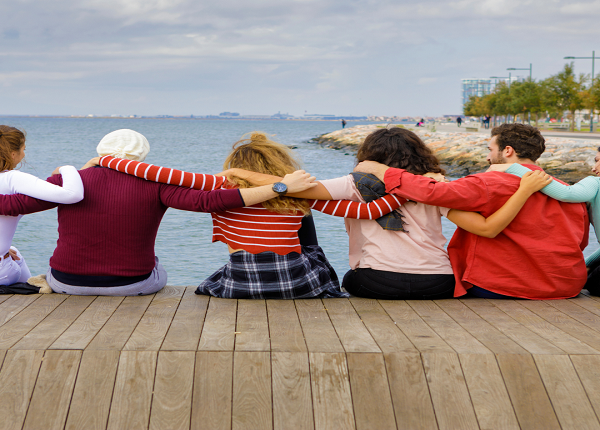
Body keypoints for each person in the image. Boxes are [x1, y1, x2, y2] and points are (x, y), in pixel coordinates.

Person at [207, 127, 552, 300]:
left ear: (369, 154)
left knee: (347, 278)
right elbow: (485, 228)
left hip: (376, 282)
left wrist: (245, 176)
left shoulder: (354, 183)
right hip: (439, 283)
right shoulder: (433, 187)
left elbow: (295, 187)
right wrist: (523, 192)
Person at [0, 129, 316, 296]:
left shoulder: (70, 182)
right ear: (142, 155)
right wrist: (279, 188)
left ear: (100, 152)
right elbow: (210, 201)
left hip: (66, 282)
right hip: (131, 285)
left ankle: (50, 280)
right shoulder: (157, 184)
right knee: (158, 268)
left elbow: (20, 205)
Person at [98, 132, 404, 299]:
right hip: (299, 282)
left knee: (212, 280)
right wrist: (402, 189)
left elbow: (157, 174)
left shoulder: (221, 186)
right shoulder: (300, 194)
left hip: (242, 282)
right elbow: (367, 211)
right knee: (305, 225)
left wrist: (105, 161)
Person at [355, 123, 589, 299]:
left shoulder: (487, 183)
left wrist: (380, 169)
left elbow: (433, 194)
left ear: (508, 151)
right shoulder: (569, 191)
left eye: (490, 149)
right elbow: (581, 242)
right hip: (566, 286)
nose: (488, 157)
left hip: (505, 287)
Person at [491, 147, 600, 294]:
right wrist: (586, 264)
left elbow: (566, 193)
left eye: (598, 161)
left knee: (591, 283)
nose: (594, 168)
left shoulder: (596, 182)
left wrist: (513, 167)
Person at [0, 125, 84, 287]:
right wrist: (66, 168)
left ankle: (31, 289)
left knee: (14, 251)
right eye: (24, 149)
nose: (24, 154)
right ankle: (33, 291)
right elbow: (73, 194)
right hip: (2, 273)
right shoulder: (10, 178)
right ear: (12, 153)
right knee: (18, 265)